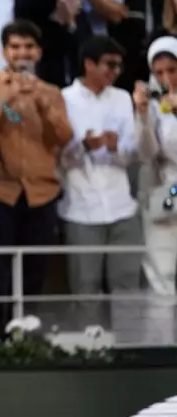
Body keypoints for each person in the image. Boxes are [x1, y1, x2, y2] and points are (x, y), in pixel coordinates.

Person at [0, 20, 73, 333]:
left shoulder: (52, 91)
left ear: (39, 52)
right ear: (4, 52)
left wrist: (42, 102)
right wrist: (11, 97)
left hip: (41, 193)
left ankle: (26, 335)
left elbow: (64, 136)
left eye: (28, 47)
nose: (22, 53)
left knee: (35, 271)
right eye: (15, 47)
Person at [59, 36, 141, 334]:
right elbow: (59, 160)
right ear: (89, 64)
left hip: (122, 206)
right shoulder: (63, 98)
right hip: (81, 207)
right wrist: (83, 146)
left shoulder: (122, 98)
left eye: (119, 65)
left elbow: (134, 155)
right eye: (109, 64)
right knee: (85, 288)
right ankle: (88, 354)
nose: (115, 71)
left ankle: (131, 351)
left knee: (127, 286)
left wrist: (117, 147)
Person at [135, 35, 177, 344]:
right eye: (159, 71)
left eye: (172, 70)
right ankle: (161, 351)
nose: (165, 78)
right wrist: (143, 116)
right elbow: (147, 153)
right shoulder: (153, 102)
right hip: (168, 192)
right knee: (161, 276)